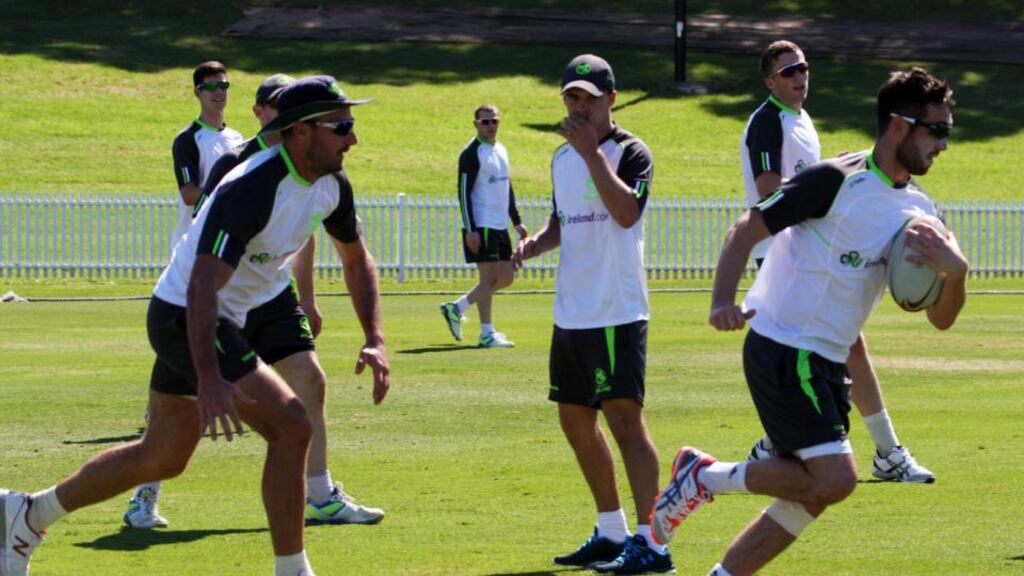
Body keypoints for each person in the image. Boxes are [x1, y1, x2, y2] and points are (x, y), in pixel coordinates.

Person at [1, 74, 391, 576]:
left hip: (227, 316)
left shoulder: (332, 185)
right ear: (300, 131)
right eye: (341, 126)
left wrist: (375, 339)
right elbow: (201, 288)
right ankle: (293, 570)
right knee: (292, 426)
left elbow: (357, 262)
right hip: (184, 316)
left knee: (162, 456)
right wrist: (209, 377)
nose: (352, 138)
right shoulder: (251, 188)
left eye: (351, 124)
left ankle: (27, 515)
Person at [652, 67, 966, 576]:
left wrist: (958, 274)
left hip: (824, 360)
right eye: (939, 130)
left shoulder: (921, 212)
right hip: (785, 346)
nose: (945, 144)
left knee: (813, 494)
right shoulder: (834, 180)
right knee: (836, 479)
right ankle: (704, 476)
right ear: (898, 126)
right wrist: (720, 301)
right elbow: (745, 228)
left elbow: (941, 320)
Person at [123, 73, 385, 530]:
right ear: (269, 115)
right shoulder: (242, 167)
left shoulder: (318, 174)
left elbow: (307, 238)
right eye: (267, 102)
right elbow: (208, 242)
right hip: (207, 295)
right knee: (177, 410)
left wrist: (309, 299)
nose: (267, 111)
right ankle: (144, 493)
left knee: (310, 381)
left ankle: (319, 494)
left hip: (270, 292)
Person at [742, 40, 935, 483]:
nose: (799, 76)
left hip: (809, 249)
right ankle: (883, 452)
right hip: (785, 252)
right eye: (788, 71)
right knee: (836, 346)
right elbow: (772, 192)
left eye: (804, 67)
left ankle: (779, 443)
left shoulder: (802, 119)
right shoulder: (767, 121)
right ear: (770, 81)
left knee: (840, 346)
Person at [513, 54, 673, 575]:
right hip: (572, 311)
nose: (578, 106)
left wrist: (591, 155)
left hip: (616, 310)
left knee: (625, 421)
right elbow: (564, 220)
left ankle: (653, 543)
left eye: (588, 97)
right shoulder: (563, 157)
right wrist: (534, 244)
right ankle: (611, 532)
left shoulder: (629, 151)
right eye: (571, 97)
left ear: (612, 98)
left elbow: (626, 213)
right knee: (575, 420)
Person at [440, 104, 528, 348]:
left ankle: (456, 308)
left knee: (507, 276)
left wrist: (517, 221)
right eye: (485, 122)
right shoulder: (471, 153)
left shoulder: (501, 150)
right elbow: (463, 192)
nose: (490, 126)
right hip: (482, 224)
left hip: (500, 225)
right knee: (488, 279)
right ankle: (486, 332)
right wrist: (471, 229)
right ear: (476, 124)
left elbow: (506, 187)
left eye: (494, 121)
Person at [170, 60, 245, 249]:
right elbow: (189, 194)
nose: (219, 92)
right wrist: (230, 193)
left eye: (223, 85)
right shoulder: (187, 139)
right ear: (198, 92)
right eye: (211, 86)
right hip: (191, 244)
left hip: (225, 243)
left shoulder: (237, 138)